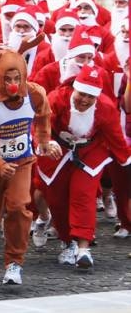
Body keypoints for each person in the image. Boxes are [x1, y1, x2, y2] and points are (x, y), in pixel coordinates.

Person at [0, 38, 59, 285]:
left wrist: (43, 141)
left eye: (17, 78)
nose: (13, 84)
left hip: (22, 161)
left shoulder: (35, 93)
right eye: (7, 79)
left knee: (19, 207)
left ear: (24, 74)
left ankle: (14, 263)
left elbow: (44, 117)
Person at [36, 66, 131, 269]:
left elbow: (116, 138)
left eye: (90, 96)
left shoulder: (105, 107)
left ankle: (83, 247)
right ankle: (67, 241)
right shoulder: (57, 98)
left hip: (90, 151)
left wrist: (126, 162)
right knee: (56, 198)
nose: (85, 100)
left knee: (84, 194)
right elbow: (40, 125)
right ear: (74, 90)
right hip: (57, 149)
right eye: (82, 94)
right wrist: (47, 142)